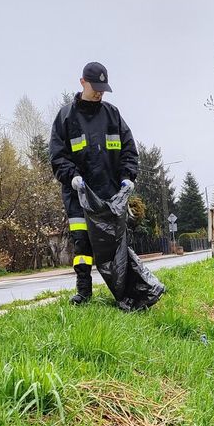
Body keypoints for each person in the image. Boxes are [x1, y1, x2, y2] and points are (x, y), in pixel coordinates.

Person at [48, 62, 138, 304]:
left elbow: (129, 150)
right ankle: (83, 291)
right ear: (82, 83)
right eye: (95, 87)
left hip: (110, 195)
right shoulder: (66, 117)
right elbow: (57, 156)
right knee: (82, 244)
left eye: (103, 88)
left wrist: (128, 177)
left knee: (116, 246)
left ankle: (123, 292)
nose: (99, 92)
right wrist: (72, 176)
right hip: (79, 195)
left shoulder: (112, 115)